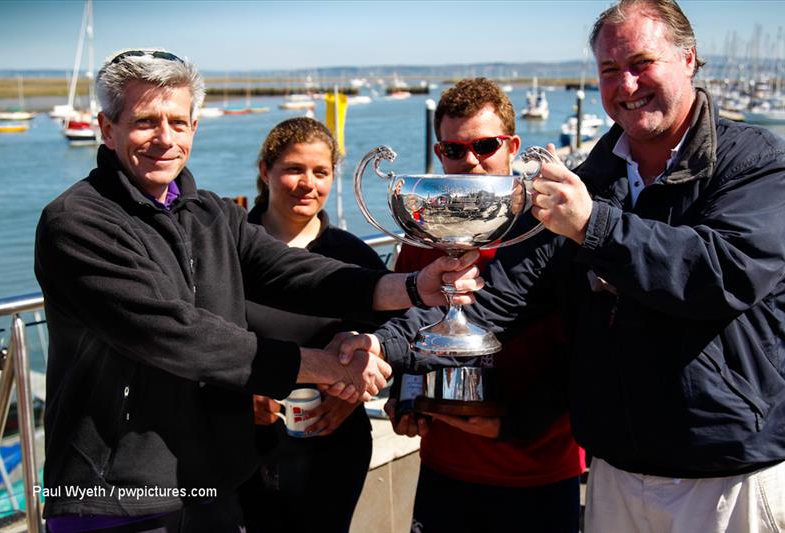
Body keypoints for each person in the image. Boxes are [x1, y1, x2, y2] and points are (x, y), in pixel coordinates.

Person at [344, 1, 785, 532]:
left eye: (642, 63)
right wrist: (379, 346)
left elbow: (721, 275)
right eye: (608, 70)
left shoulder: (755, 161)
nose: (626, 84)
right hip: (615, 470)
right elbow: (499, 295)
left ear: (688, 59)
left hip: (726, 473)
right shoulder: (594, 178)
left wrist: (592, 225)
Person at [34, 49, 481, 532]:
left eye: (178, 122)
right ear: (107, 128)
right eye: (145, 122)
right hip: (116, 496)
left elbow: (290, 271)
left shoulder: (210, 213)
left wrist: (413, 286)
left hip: (212, 485)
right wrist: (320, 366)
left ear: (194, 129)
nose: (165, 138)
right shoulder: (77, 222)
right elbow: (177, 334)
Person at [390, 78, 584, 533]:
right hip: (446, 465)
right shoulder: (422, 234)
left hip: (538, 469)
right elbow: (405, 326)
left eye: (485, 145)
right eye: (455, 150)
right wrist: (405, 400)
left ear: (513, 146)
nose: (471, 161)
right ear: (439, 154)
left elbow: (581, 351)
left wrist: (511, 425)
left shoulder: (556, 230)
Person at [237, 117, 382, 532]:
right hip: (243, 448)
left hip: (333, 447)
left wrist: (353, 395)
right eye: (293, 169)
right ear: (265, 171)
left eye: (321, 172)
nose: (308, 184)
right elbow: (198, 339)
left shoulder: (353, 256)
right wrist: (236, 398)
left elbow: (395, 338)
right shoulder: (228, 249)